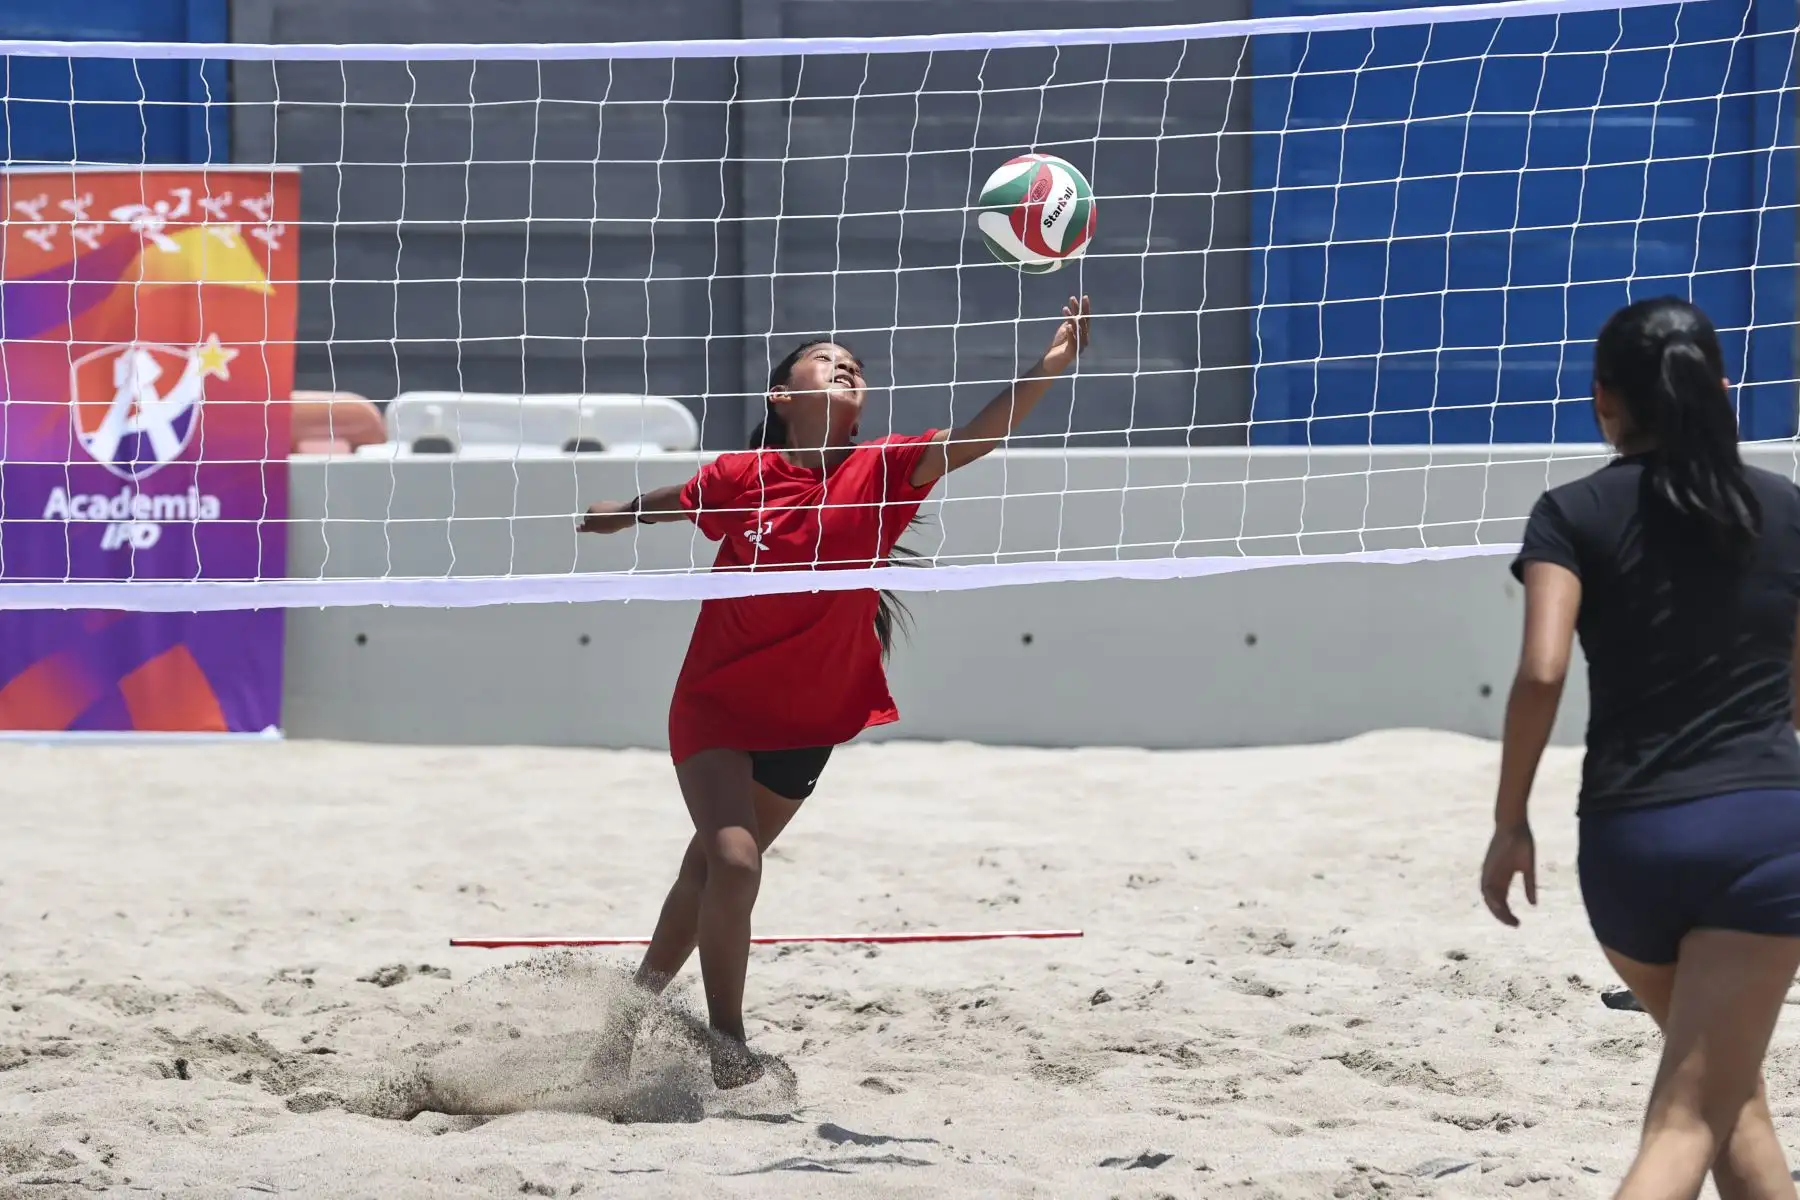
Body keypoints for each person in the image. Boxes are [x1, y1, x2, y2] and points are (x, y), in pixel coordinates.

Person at [578, 296, 1092, 1088]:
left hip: (810, 714)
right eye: (825, 359)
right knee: (735, 864)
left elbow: (979, 436)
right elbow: (676, 501)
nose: (845, 363)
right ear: (782, 397)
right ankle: (727, 1043)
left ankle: (625, 1017)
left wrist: (1047, 370)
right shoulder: (742, 474)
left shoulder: (883, 469)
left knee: (707, 872)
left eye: (853, 362)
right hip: (717, 702)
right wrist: (619, 516)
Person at [1480, 296, 1800, 1197]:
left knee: (1729, 1099)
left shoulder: (1570, 512)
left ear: (1602, 400)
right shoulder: (1784, 509)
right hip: (1760, 834)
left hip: (1629, 844)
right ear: (1722, 390)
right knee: (1690, 1118)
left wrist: (1510, 823)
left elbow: (1541, 674)